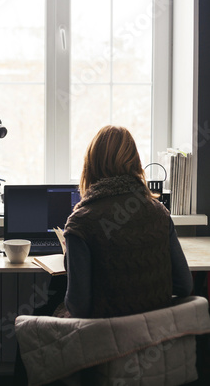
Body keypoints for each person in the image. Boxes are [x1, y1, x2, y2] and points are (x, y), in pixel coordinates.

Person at [63, 125, 193, 318]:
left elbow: (79, 307)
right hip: (154, 340)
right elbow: (184, 286)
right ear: (135, 163)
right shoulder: (159, 213)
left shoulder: (81, 223)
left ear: (91, 165)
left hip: (104, 341)